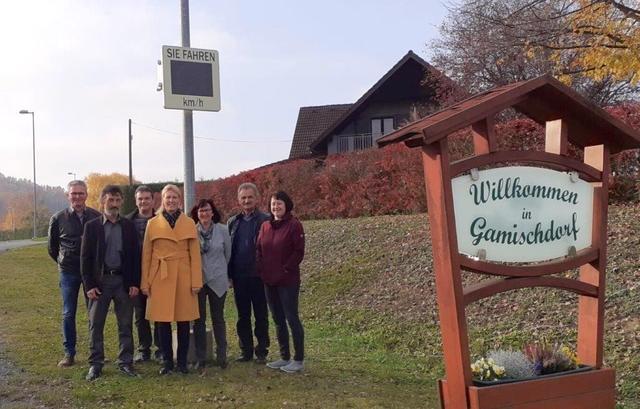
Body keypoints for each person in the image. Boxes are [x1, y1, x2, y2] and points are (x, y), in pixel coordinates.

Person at [140, 184, 202, 375]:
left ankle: (182, 362)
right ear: (163, 200)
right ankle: (167, 362)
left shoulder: (189, 223)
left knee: (184, 321)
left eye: (175, 197)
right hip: (160, 276)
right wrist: (145, 282)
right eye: (168, 197)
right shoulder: (152, 224)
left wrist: (196, 281)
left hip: (184, 275)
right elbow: (146, 256)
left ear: (180, 200)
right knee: (162, 321)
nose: (171, 201)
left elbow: (195, 255)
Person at [80, 185, 140, 381]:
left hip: (123, 281)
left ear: (121, 201)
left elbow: (135, 257)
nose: (114, 204)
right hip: (100, 282)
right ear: (102, 201)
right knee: (95, 325)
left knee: (125, 324)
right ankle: (95, 364)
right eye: (110, 200)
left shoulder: (128, 226)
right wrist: (89, 286)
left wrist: (134, 283)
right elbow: (85, 258)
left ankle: (125, 362)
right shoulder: (92, 226)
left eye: (117, 200)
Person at [47, 180, 101, 367]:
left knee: (94, 314)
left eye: (81, 193)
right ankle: (69, 353)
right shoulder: (58, 218)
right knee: (68, 313)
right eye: (74, 193)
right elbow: (52, 248)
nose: (77, 197)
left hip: (91, 274)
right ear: (68, 195)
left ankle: (96, 352)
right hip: (68, 272)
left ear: (86, 195)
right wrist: (63, 262)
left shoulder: (96, 216)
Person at [257, 191, 306, 373]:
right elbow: (259, 249)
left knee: (291, 318)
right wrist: (262, 269)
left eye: (279, 204)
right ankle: (284, 356)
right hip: (269, 281)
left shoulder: (294, 225)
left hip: (287, 281)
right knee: (278, 319)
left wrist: (285, 268)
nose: (276, 207)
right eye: (273, 204)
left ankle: (298, 359)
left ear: (286, 205)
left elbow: (298, 252)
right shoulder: (265, 226)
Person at [227, 182, 271, 363]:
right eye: (243, 198)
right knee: (242, 316)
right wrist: (229, 275)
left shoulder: (266, 220)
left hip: (259, 276)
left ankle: (262, 351)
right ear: (239, 200)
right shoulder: (232, 222)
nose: (246, 201)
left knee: (261, 315)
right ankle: (246, 351)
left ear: (256, 198)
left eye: (250, 197)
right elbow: (228, 251)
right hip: (239, 276)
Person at [190, 199, 232, 371]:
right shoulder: (192, 231)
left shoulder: (223, 230)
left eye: (207, 210)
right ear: (197, 214)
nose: (204, 214)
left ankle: (221, 355)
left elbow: (228, 254)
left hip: (218, 279)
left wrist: (223, 273)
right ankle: (201, 357)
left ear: (212, 212)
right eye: (201, 211)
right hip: (199, 280)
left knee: (218, 318)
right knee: (199, 320)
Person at [126, 185, 161, 363]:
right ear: (136, 200)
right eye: (140, 199)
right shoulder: (127, 222)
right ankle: (144, 349)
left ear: (153, 200)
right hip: (136, 274)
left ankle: (161, 348)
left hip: (157, 273)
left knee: (159, 312)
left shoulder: (161, 220)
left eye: (147, 198)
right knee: (140, 314)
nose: (143, 202)